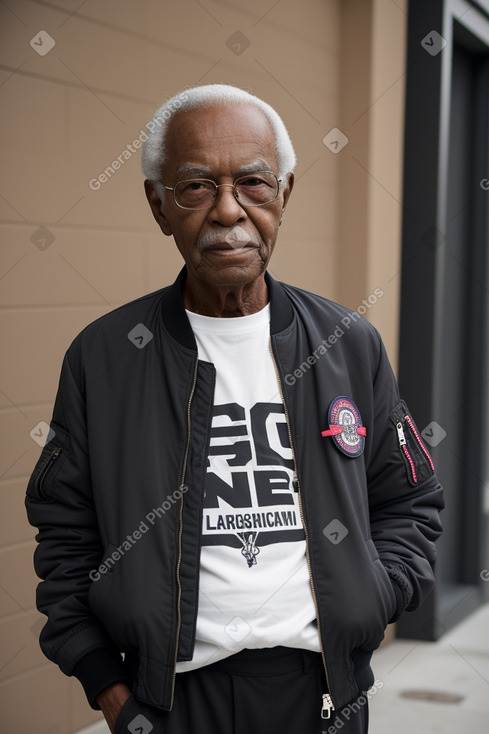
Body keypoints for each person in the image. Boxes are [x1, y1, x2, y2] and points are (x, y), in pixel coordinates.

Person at [26, 84, 444, 734]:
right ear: (158, 205)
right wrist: (107, 688)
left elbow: (409, 501)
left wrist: (373, 597)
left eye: (253, 183)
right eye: (194, 187)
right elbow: (65, 534)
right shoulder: (103, 358)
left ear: (284, 194)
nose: (228, 211)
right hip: (167, 704)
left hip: (322, 696)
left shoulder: (346, 343)